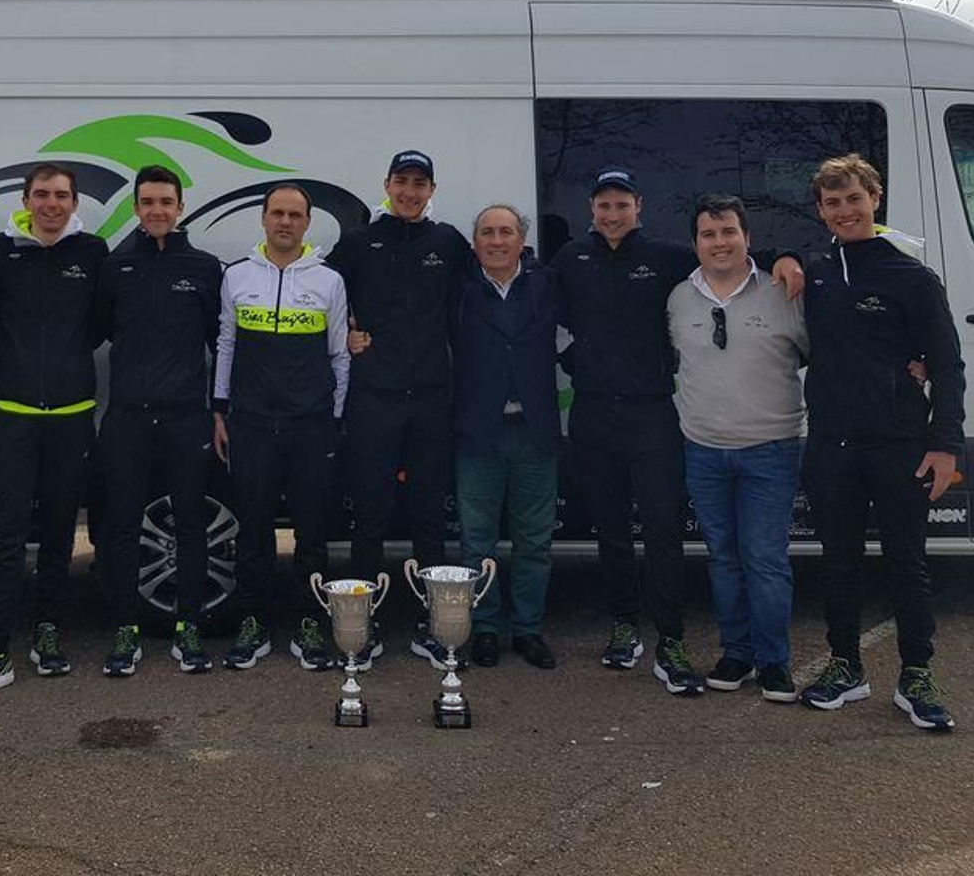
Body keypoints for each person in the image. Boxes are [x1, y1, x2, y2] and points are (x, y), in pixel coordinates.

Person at [549, 167, 802, 697]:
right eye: (603, 205)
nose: (613, 214)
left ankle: (671, 639)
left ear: (638, 205)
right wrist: (579, 362)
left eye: (622, 204)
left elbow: (729, 259)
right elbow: (540, 311)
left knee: (664, 531)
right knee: (612, 531)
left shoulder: (667, 258)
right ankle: (624, 626)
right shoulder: (571, 259)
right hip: (594, 414)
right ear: (591, 210)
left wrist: (787, 255)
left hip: (654, 417)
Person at [796, 154, 966, 730]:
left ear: (875, 199)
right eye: (832, 202)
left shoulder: (912, 277)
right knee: (838, 562)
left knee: (906, 564)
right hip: (831, 444)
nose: (844, 210)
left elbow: (945, 365)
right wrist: (788, 260)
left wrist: (945, 445)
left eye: (853, 199)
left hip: (900, 443)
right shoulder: (815, 270)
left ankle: (916, 673)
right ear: (820, 211)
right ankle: (845, 665)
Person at [0, 163, 107, 702]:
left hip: (72, 414)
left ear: (75, 202)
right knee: (9, 535)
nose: (52, 204)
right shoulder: (1, 250)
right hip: (13, 414)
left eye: (61, 195)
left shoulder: (93, 253)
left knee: (60, 533)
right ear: (26, 199)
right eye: (42, 194)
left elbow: (101, 325)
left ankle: (48, 630)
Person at [327, 149, 470, 668]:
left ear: (432, 189)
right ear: (387, 184)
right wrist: (345, 335)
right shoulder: (359, 242)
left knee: (430, 518)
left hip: (432, 398)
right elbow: (324, 298)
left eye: (420, 183)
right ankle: (358, 625)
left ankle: (435, 628)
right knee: (370, 516)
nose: (410, 192)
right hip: (374, 398)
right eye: (402, 181)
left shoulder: (449, 242)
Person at [667, 195, 808, 703]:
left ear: (747, 237)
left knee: (765, 558)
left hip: (769, 449)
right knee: (723, 558)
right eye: (709, 234)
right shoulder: (679, 297)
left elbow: (828, 353)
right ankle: (737, 653)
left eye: (728, 232)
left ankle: (775, 662)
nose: (719, 242)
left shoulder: (783, 290)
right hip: (703, 449)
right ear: (696, 242)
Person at [214, 183, 350, 672]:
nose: (285, 222)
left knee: (313, 533)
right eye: (278, 213)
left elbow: (339, 356)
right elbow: (226, 344)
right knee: (252, 531)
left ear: (308, 224)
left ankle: (311, 623)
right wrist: (220, 409)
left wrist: (333, 418)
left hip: (310, 425)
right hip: (250, 423)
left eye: (295, 215)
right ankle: (252, 622)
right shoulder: (235, 276)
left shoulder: (329, 281)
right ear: (263, 218)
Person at [94, 165, 223, 676]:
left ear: (181, 207)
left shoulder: (205, 267)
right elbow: (98, 331)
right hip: (126, 416)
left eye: (166, 202)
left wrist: (219, 410)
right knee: (120, 525)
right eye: (147, 202)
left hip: (185, 416)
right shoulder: (115, 266)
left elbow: (223, 344)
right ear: (136, 207)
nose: (157, 211)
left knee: (191, 525)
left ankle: (188, 628)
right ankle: (124, 629)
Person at [450, 205, 563, 669]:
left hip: (534, 432)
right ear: (474, 242)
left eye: (506, 232)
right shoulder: (456, 289)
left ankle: (529, 630)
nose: (496, 241)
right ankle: (486, 628)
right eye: (487, 233)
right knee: (477, 541)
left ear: (522, 240)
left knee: (534, 541)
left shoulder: (548, 284)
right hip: (479, 432)